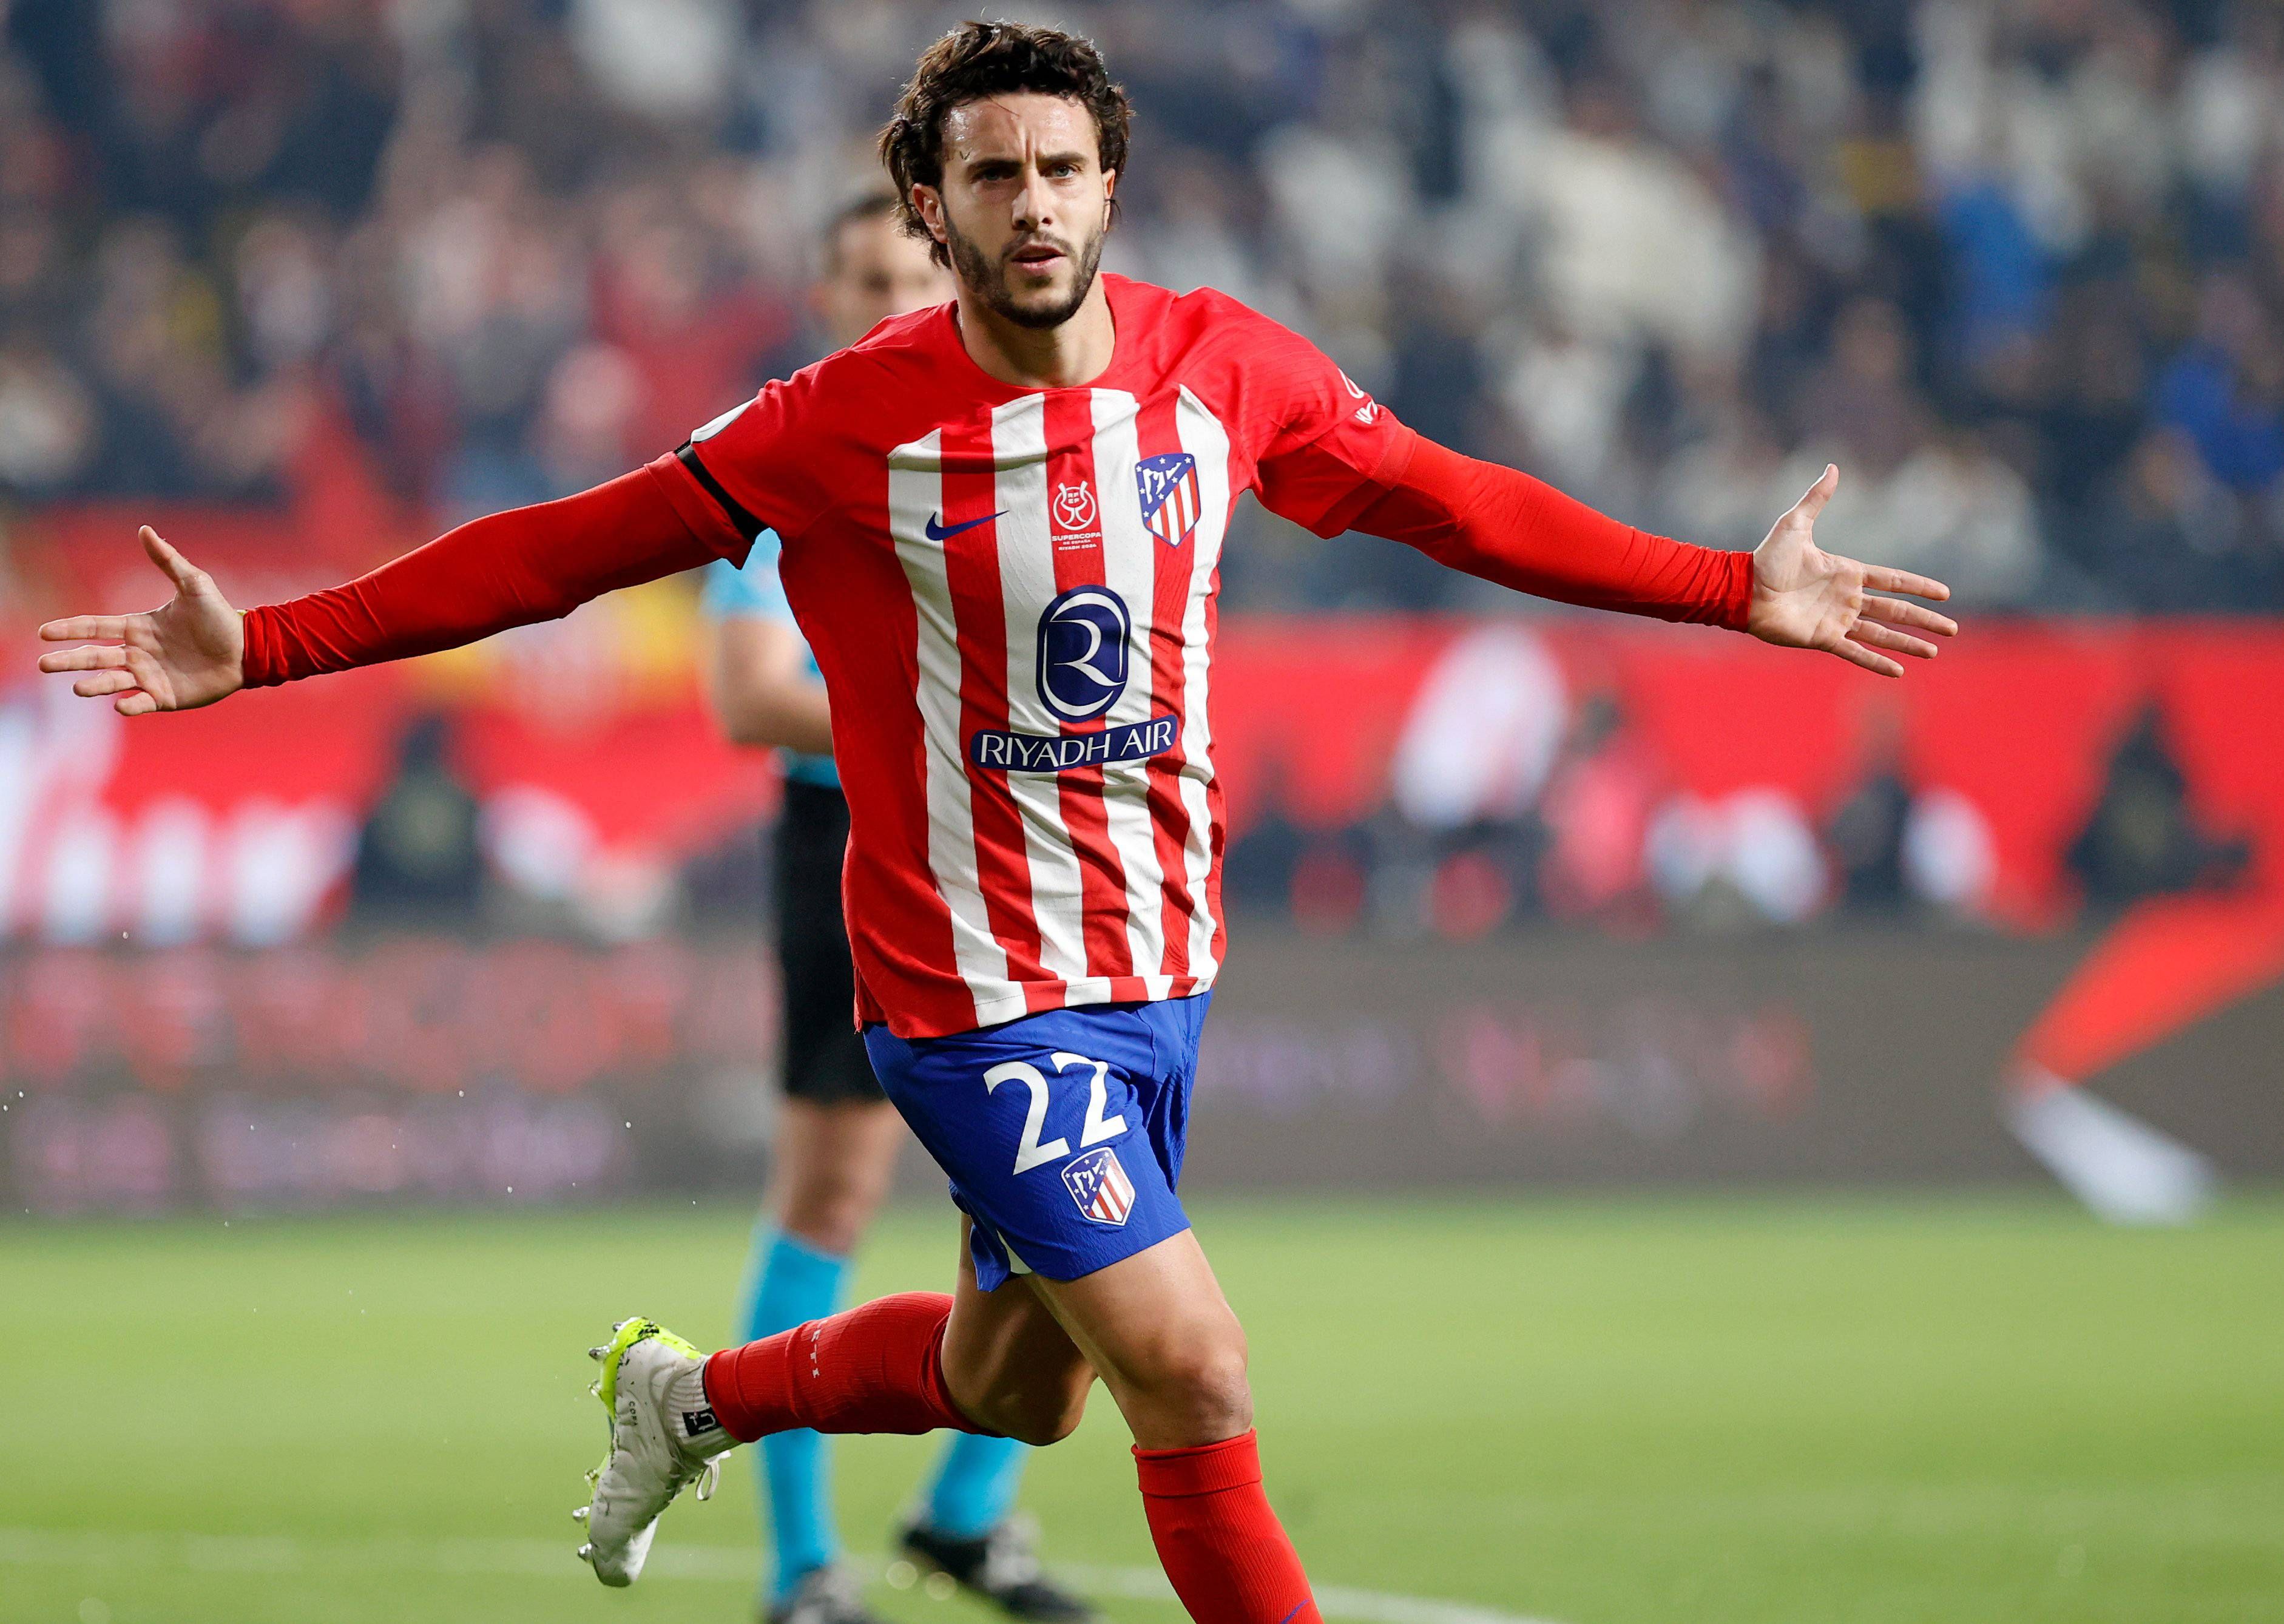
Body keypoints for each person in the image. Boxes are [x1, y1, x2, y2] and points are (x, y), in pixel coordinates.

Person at [33, 23, 1957, 1622]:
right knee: (1191, 1367)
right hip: (969, 996)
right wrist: (267, 645)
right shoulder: (843, 418)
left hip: (1158, 974)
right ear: (928, 209)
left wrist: (1729, 584)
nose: (1030, 204)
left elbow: (1459, 503)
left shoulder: (1231, 371)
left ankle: (691, 1397)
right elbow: (563, 549)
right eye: (989, 177)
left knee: (1008, 1391)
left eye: (1059, 169)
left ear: (1108, 184)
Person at [701, 191, 1091, 1624]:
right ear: (820, 292)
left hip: (1016, 852)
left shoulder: (1012, 439)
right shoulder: (790, 467)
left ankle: (968, 1516)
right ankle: (805, 1568)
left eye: (904, 277)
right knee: (836, 1192)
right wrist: (937, 718)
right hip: (852, 854)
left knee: (1069, 1180)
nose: (882, 301)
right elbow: (746, 696)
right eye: (857, 275)